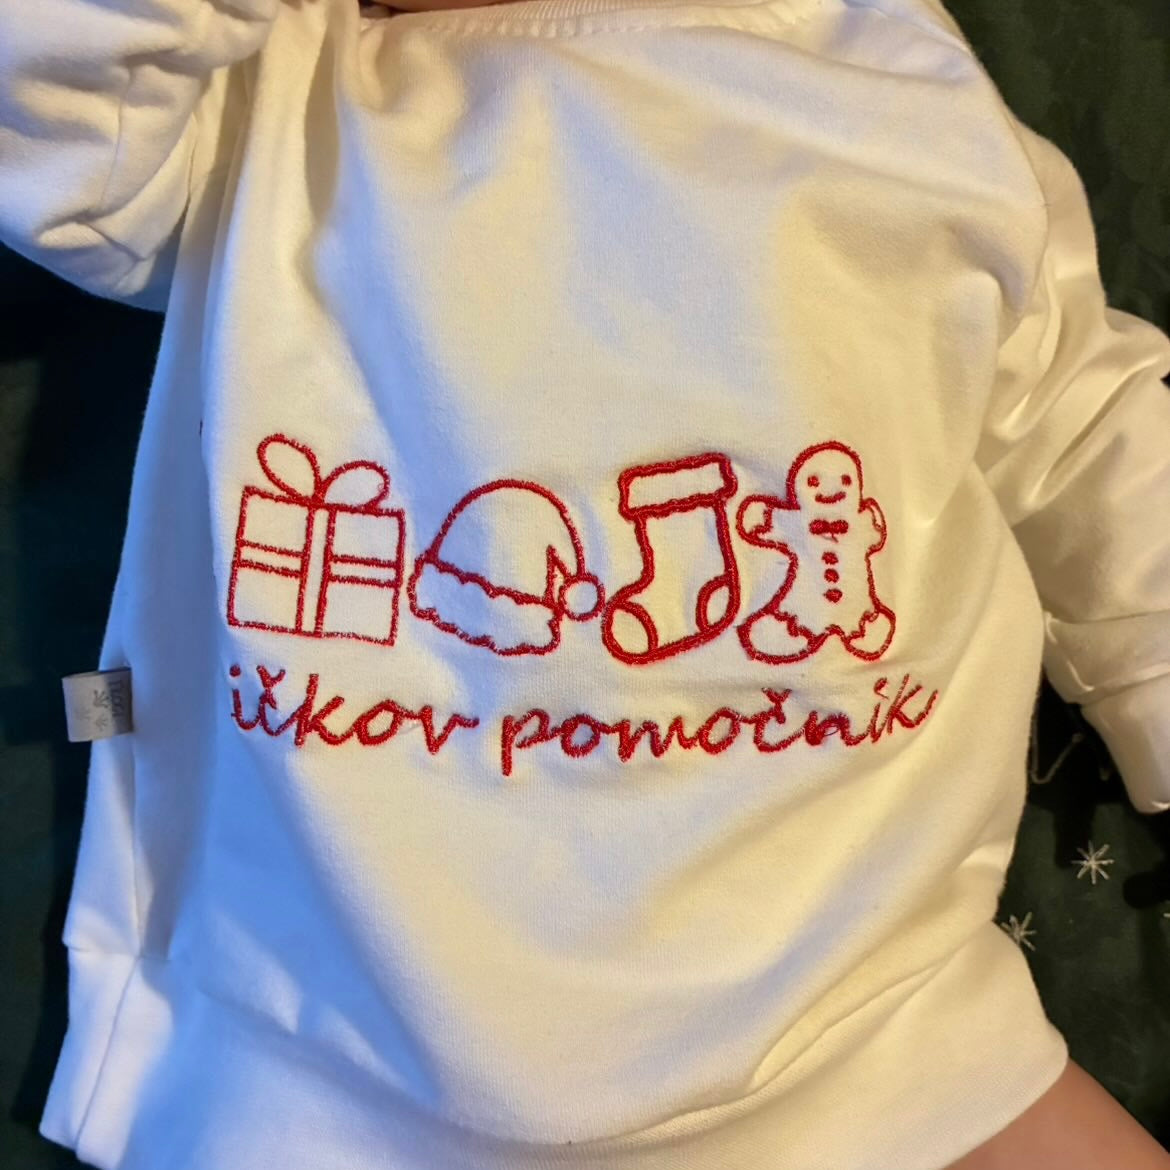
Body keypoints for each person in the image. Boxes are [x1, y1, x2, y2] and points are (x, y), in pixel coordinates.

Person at [1, 0, 1168, 1167]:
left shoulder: (899, 82)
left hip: (880, 1033)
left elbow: (1077, 423)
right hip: (316, 1066)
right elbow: (43, 112)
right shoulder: (276, 100)